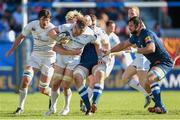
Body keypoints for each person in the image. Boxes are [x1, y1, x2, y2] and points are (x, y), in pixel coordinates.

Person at [108, 16, 173, 114]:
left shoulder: (146, 34)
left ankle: (161, 107)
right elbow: (122, 45)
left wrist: (135, 50)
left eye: (131, 26)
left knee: (150, 78)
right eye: (128, 25)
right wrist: (109, 51)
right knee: (145, 85)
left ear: (138, 25)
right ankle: (158, 105)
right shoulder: (135, 36)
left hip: (164, 62)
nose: (129, 28)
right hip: (154, 63)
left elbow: (151, 48)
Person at [6, 9, 56, 115]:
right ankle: (20, 107)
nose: (45, 22)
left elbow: (60, 42)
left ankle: (53, 95)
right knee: (25, 80)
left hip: (49, 59)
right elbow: (21, 37)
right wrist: (11, 50)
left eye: (47, 20)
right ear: (39, 19)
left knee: (43, 89)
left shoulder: (53, 29)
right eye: (43, 20)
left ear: (49, 19)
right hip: (35, 57)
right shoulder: (32, 25)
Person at [45, 16, 97, 116]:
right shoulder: (66, 27)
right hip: (61, 57)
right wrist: (58, 38)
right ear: (74, 25)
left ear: (84, 30)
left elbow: (98, 43)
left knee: (65, 85)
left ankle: (66, 107)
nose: (76, 33)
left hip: (74, 61)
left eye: (79, 32)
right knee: (55, 83)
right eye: (75, 29)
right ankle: (52, 108)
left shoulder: (90, 35)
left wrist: (100, 55)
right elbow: (50, 33)